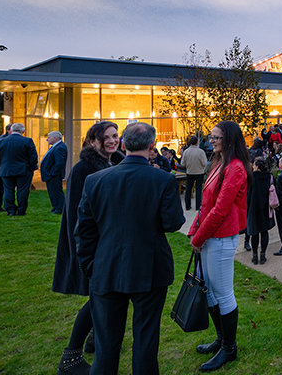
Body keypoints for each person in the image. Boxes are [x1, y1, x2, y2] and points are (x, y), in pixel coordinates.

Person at [75, 122, 185, 374]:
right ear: (152, 146)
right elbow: (172, 223)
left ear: (123, 144)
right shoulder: (161, 179)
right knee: (146, 340)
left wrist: (91, 265)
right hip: (147, 267)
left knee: (106, 344)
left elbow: (83, 231)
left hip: (109, 267)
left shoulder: (96, 180)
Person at [52, 121, 122, 374]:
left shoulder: (116, 162)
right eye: (107, 137)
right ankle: (71, 356)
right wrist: (85, 252)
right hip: (95, 246)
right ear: (93, 141)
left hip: (113, 243)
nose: (113, 140)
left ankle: (94, 340)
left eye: (115, 135)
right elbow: (76, 214)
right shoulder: (83, 169)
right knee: (99, 298)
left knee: (106, 298)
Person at [187, 121, 250, 371]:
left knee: (223, 293)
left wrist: (198, 237)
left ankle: (229, 348)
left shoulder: (235, 168)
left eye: (216, 137)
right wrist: (195, 232)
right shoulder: (219, 163)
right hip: (211, 235)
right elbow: (206, 204)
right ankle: (222, 339)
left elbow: (220, 209)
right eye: (210, 137)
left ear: (229, 140)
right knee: (211, 290)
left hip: (222, 237)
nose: (211, 141)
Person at [0, 123, 38, 216]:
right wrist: (32, 167)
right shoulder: (27, 141)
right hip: (23, 170)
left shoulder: (1, 141)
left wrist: (0, 165)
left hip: (6, 170)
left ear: (11, 130)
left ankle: (10, 210)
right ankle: (21, 210)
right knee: (23, 191)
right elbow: (33, 157)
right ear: (23, 131)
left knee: (8, 190)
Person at [247, 157, 276, 265]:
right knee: (264, 232)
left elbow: (248, 194)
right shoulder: (269, 176)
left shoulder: (252, 177)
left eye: (254, 165)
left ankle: (255, 256)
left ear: (257, 166)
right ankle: (263, 255)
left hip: (253, 208)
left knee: (254, 233)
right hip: (266, 207)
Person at [41, 131, 67, 214]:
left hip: (54, 175)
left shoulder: (60, 147)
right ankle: (56, 206)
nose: (47, 139)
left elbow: (59, 163)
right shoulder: (55, 147)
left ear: (55, 138)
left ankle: (59, 208)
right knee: (52, 191)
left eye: (49, 137)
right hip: (51, 175)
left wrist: (52, 173)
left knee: (56, 191)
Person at [182, 136, 208, 211]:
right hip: (199, 172)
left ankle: (187, 206)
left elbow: (183, 163)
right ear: (197, 142)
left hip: (189, 172)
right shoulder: (201, 151)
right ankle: (198, 206)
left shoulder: (186, 151)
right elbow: (204, 163)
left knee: (188, 189)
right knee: (198, 189)